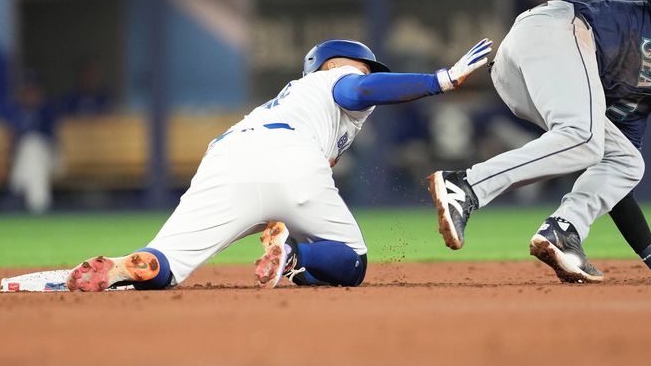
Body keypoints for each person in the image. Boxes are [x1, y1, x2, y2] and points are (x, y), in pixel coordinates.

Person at [67, 37, 492, 291]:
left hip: (226, 158)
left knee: (168, 264)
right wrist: (442, 80)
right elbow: (360, 90)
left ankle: (127, 266)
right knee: (352, 260)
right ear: (328, 65)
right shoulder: (329, 80)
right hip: (290, 157)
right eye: (360, 65)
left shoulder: (291, 107)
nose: (365, 73)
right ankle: (290, 255)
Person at [428, 0, 651, 283]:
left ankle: (563, 231)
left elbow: (616, 191)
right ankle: (466, 185)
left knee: (626, 161)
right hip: (553, 30)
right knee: (586, 136)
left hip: (522, 81)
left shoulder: (635, 112)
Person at [6, 69, 60, 214]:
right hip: (24, 160)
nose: (31, 94)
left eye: (34, 90)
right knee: (29, 147)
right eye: (28, 91)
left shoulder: (47, 111)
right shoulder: (16, 112)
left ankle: (17, 187)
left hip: (49, 158)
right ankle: (39, 203)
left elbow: (53, 142)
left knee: (33, 144)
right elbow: (12, 141)